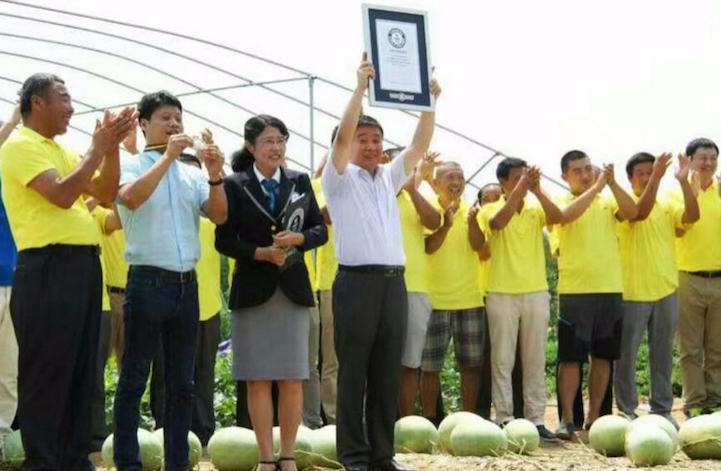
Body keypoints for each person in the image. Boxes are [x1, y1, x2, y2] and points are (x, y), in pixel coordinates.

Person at [0, 73, 135, 469]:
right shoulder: (21, 146)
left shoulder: (63, 149)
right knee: (47, 369)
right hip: (47, 267)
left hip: (80, 267)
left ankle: (76, 459)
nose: (71, 107)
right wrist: (97, 150)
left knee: (80, 369)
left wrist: (110, 151)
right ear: (36, 102)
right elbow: (61, 195)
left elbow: (106, 193)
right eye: (63, 97)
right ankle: (43, 462)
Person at [322, 54, 440, 471]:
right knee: (353, 372)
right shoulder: (338, 178)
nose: (371, 147)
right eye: (363, 140)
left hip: (394, 285)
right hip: (356, 285)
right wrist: (358, 89)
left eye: (376, 141)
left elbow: (419, 145)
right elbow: (339, 142)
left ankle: (381, 454)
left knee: (387, 371)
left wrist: (429, 102)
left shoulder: (389, 178)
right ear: (349, 143)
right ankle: (353, 455)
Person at [114, 90, 227, 470]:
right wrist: (166, 157)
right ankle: (129, 462)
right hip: (147, 282)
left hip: (185, 285)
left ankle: (177, 462)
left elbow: (219, 214)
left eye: (178, 117)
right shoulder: (131, 165)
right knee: (134, 379)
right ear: (144, 124)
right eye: (165, 117)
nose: (175, 124)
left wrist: (214, 175)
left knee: (183, 384)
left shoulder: (191, 173)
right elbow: (130, 198)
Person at [216, 114, 327, 471]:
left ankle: (289, 455)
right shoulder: (234, 184)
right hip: (252, 290)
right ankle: (266, 457)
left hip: (292, 289)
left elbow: (318, 232)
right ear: (251, 147)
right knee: (258, 377)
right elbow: (224, 239)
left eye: (281, 140)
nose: (276, 148)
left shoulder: (299, 181)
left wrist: (299, 239)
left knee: (293, 377)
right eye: (268, 141)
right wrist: (259, 253)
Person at [551, 150, 638, 439]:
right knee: (571, 358)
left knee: (603, 356)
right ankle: (566, 419)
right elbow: (565, 217)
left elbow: (633, 212)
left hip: (610, 289)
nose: (586, 175)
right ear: (565, 175)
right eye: (577, 171)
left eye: (589, 168)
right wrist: (598, 187)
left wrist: (611, 184)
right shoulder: (559, 201)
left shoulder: (607, 200)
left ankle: (594, 417)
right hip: (576, 292)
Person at [479, 158, 561, 440]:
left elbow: (558, 216)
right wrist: (520, 191)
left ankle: (536, 419)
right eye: (517, 178)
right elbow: (497, 223)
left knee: (535, 359)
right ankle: (504, 419)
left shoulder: (536, 207)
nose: (523, 182)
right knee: (502, 359)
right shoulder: (490, 206)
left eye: (525, 176)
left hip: (536, 291)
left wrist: (537, 190)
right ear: (503, 183)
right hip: (501, 292)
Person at [614, 152, 698, 426]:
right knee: (626, 355)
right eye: (643, 173)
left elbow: (691, 216)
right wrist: (659, 178)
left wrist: (684, 182)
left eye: (653, 172)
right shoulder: (623, 204)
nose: (650, 177)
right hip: (632, 292)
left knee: (662, 354)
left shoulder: (666, 203)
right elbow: (640, 213)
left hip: (666, 289)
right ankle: (627, 409)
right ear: (630, 178)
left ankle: (661, 410)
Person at [420, 162, 485, 422]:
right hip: (434, 299)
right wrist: (445, 225)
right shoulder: (428, 208)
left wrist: (471, 223)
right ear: (436, 182)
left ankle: (467, 419)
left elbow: (479, 247)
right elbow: (428, 247)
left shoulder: (473, 209)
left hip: (469, 299)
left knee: (470, 365)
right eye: (450, 176)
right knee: (429, 366)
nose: (456, 181)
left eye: (460, 177)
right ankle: (429, 419)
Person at [386, 148, 441, 418]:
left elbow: (435, 221)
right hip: (381, 286)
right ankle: (379, 421)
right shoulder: (376, 194)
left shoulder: (415, 198)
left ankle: (405, 422)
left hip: (416, 288)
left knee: (410, 362)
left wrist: (414, 190)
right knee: (380, 360)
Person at [670, 138, 721, 417]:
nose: (709, 163)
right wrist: (687, 185)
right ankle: (694, 402)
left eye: (713, 158)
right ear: (689, 160)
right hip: (688, 277)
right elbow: (680, 228)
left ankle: (715, 400)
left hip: (719, 278)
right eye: (703, 158)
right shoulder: (676, 193)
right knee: (690, 348)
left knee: (717, 347)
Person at [88, 199, 123, 451]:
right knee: (89, 374)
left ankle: (104, 436)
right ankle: (89, 435)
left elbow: (117, 220)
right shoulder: (73, 206)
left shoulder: (98, 212)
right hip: (80, 303)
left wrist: (112, 195)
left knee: (104, 375)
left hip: (105, 304)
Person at [0, 104, 21, 437]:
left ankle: (3, 433)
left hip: (16, 282)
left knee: (9, 368)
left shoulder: (15, 177)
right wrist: (15, 119)